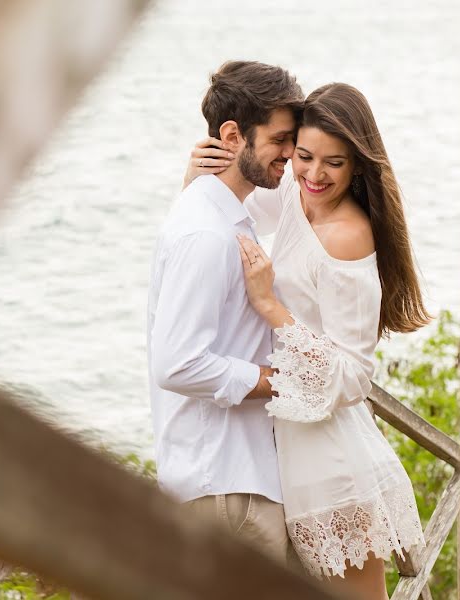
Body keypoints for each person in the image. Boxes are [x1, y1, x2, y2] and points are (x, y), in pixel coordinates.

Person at [183, 82, 429, 600]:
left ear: (358, 166)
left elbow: (355, 375)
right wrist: (199, 177)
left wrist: (272, 307)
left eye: (334, 163)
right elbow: (240, 208)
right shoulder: (299, 198)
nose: (315, 175)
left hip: (336, 475)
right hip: (297, 466)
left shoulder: (346, 235)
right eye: (304, 155)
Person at [146, 60, 304, 565]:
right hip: (228, 492)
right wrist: (277, 381)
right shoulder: (207, 234)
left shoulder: (221, 214)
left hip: (231, 482)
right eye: (281, 140)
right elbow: (176, 363)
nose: (290, 154)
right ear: (234, 135)